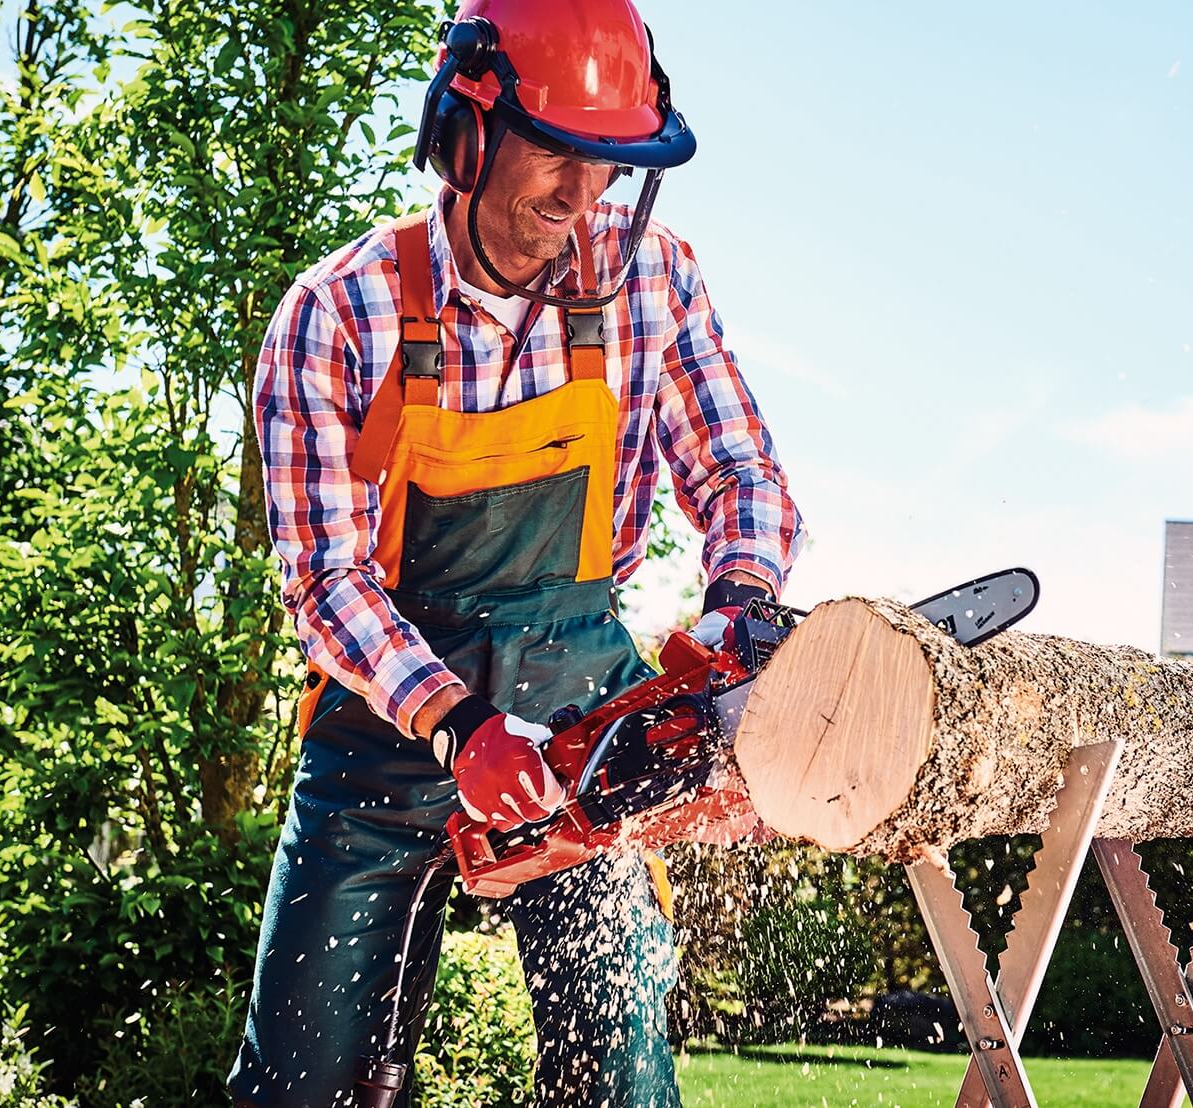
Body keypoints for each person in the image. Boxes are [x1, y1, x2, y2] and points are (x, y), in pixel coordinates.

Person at [227, 0, 801, 1102]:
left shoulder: (650, 281)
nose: (584, 198)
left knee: (618, 1071)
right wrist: (459, 726)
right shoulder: (340, 315)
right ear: (468, 131)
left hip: (587, 724)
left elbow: (743, 475)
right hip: (388, 734)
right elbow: (324, 578)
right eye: (559, 153)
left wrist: (741, 605)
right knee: (305, 1080)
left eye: (611, 164)